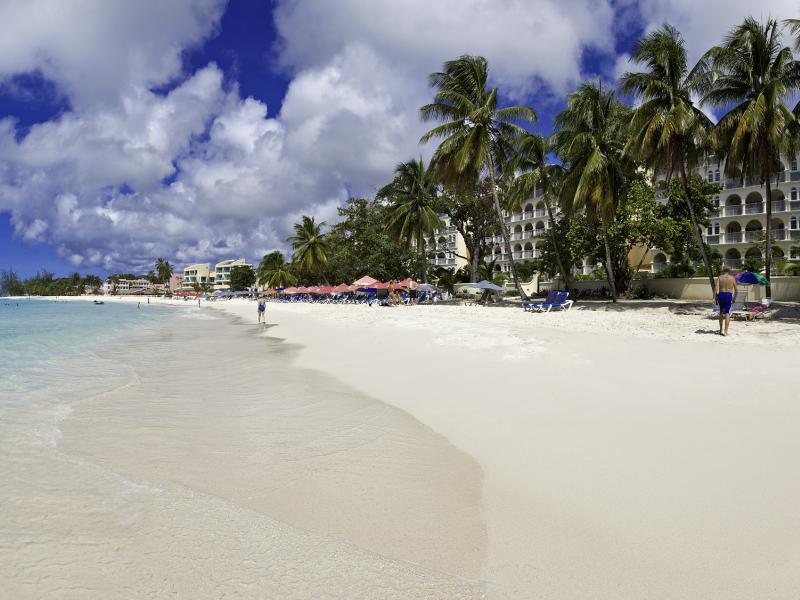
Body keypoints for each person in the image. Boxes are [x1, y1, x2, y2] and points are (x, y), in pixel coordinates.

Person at [715, 267, 737, 336]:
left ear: (723, 271)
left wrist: (714, 298)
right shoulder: (732, 278)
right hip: (728, 295)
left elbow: (716, 288)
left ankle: (720, 330)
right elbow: (736, 290)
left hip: (721, 295)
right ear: (729, 271)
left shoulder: (720, 277)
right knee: (727, 313)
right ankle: (725, 331)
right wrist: (734, 298)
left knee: (721, 312)